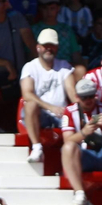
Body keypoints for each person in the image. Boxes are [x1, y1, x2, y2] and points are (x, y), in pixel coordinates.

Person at [20, 28, 74, 163]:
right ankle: (37, 147)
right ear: (38, 47)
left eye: (52, 46)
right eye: (45, 46)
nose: (48, 49)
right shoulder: (29, 67)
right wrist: (50, 107)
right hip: (40, 114)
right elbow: (27, 94)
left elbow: (72, 93)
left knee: (77, 110)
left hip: (62, 114)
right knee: (30, 104)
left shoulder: (64, 66)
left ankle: (76, 153)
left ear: (57, 48)